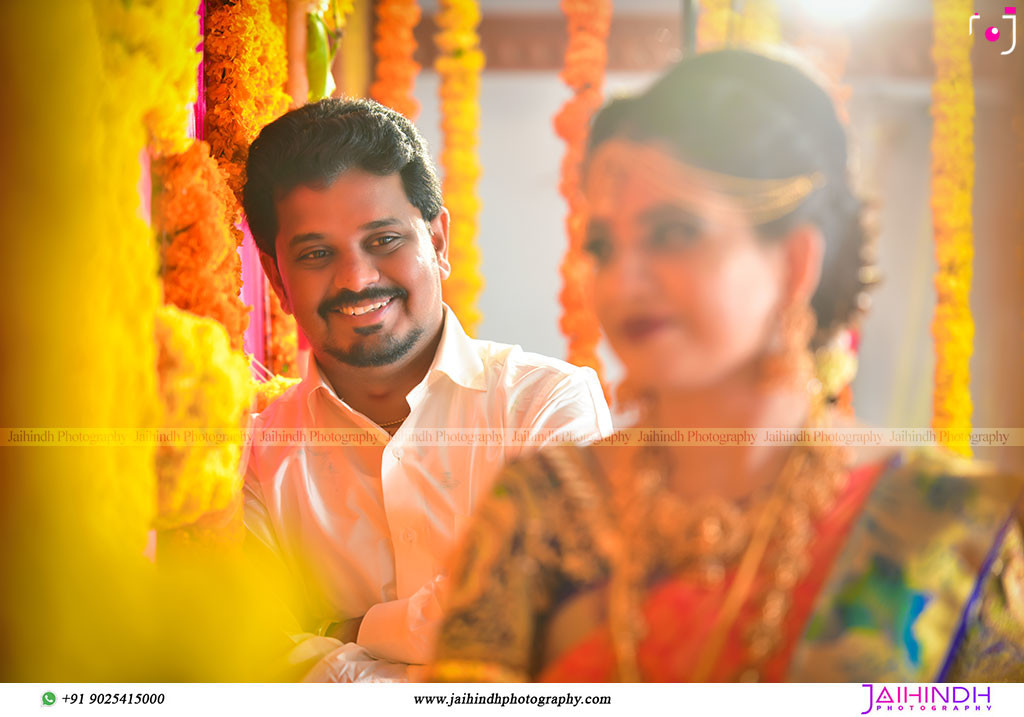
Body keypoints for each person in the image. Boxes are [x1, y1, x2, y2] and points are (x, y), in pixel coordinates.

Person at [430, 50, 1024, 682]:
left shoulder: (945, 522)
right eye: (604, 246)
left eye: (674, 233)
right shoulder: (538, 510)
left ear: (795, 263)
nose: (623, 279)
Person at [240, 98, 613, 680]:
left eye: (384, 240)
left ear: (439, 243)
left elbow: (543, 622)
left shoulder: (548, 405)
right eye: (317, 254)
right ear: (276, 280)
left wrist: (356, 634)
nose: (357, 278)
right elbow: (256, 667)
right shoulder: (258, 457)